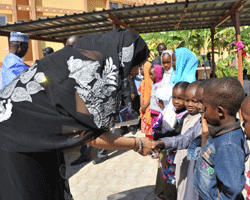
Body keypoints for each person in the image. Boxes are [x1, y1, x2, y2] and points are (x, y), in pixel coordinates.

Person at [0, 28, 153, 200]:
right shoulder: (85, 69)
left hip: (37, 135)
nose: (137, 72)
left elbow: (76, 122)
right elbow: (90, 135)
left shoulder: (82, 58)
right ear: (126, 59)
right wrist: (137, 143)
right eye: (138, 66)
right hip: (14, 139)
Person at [193, 77, 248, 200]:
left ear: (220, 112)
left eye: (206, 107)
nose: (202, 110)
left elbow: (233, 187)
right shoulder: (221, 133)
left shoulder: (228, 144)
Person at [153, 81, 189, 200]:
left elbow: (177, 132)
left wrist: (161, 137)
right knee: (171, 177)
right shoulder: (173, 111)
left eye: (180, 98)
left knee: (178, 178)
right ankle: (169, 195)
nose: (176, 101)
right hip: (170, 152)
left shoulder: (186, 115)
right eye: (174, 97)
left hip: (179, 154)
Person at [139, 60, 153, 139]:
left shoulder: (151, 82)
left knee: (150, 126)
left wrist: (145, 105)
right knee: (146, 129)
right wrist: (142, 105)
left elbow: (152, 95)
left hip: (149, 107)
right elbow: (141, 93)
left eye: (142, 68)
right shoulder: (143, 80)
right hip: (144, 108)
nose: (141, 69)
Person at [149, 65, 164, 133]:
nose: (150, 76)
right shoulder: (153, 85)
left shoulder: (161, 85)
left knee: (159, 127)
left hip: (159, 111)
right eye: (149, 74)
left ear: (157, 73)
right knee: (154, 127)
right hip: (153, 110)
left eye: (152, 74)